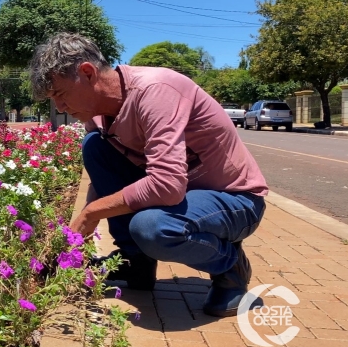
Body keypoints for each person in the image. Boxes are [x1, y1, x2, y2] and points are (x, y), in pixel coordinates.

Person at [28, 33, 268, 317]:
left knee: (152, 228)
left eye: (61, 94)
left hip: (234, 200)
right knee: (95, 147)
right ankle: (136, 263)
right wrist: (78, 233)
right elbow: (105, 180)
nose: (60, 107)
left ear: (87, 72)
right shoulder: (96, 115)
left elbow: (167, 186)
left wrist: (92, 213)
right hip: (185, 198)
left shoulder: (156, 90)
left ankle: (230, 266)